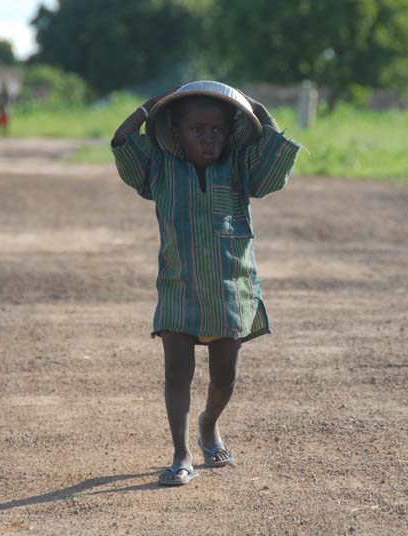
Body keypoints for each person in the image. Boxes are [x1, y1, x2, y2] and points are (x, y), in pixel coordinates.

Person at [111, 81, 301, 486]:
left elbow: (276, 164)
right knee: (177, 373)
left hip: (230, 290)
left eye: (216, 129)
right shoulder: (159, 170)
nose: (208, 136)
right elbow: (122, 141)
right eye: (196, 129)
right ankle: (181, 454)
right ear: (176, 133)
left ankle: (209, 424)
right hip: (178, 286)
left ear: (229, 132)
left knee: (223, 378)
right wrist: (152, 104)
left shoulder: (240, 168)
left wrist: (258, 110)